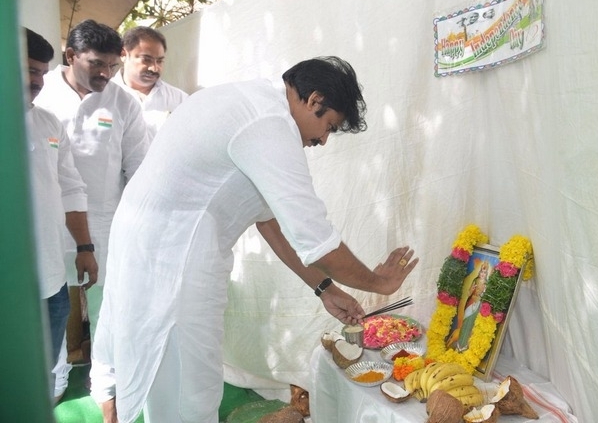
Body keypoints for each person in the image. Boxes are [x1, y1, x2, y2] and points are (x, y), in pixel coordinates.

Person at [91, 56, 418, 422]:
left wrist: (326, 289)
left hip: (148, 241)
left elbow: (271, 224)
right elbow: (317, 240)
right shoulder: (269, 123)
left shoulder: (252, 101)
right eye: (328, 126)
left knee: (144, 355)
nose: (323, 140)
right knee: (189, 388)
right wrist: (380, 282)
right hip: (175, 257)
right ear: (313, 99)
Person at [33, 19, 149, 336]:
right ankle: (53, 379)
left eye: (112, 66)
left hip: (105, 222)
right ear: (71, 55)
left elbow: (139, 166)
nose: (105, 74)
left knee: (106, 304)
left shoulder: (123, 102)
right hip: (48, 220)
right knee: (50, 303)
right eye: (97, 64)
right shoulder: (42, 95)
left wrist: (137, 221)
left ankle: (104, 379)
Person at [23, 27, 98, 402]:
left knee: (42, 369)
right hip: (12, 286)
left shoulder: (48, 123)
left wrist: (85, 246)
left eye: (39, 72)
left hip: (51, 278)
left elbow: (71, 187)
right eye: (25, 69)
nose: (34, 80)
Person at [112, 26, 188, 141]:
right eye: (146, 59)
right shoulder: (103, 96)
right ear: (123, 54)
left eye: (159, 61)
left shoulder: (180, 100)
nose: (154, 68)